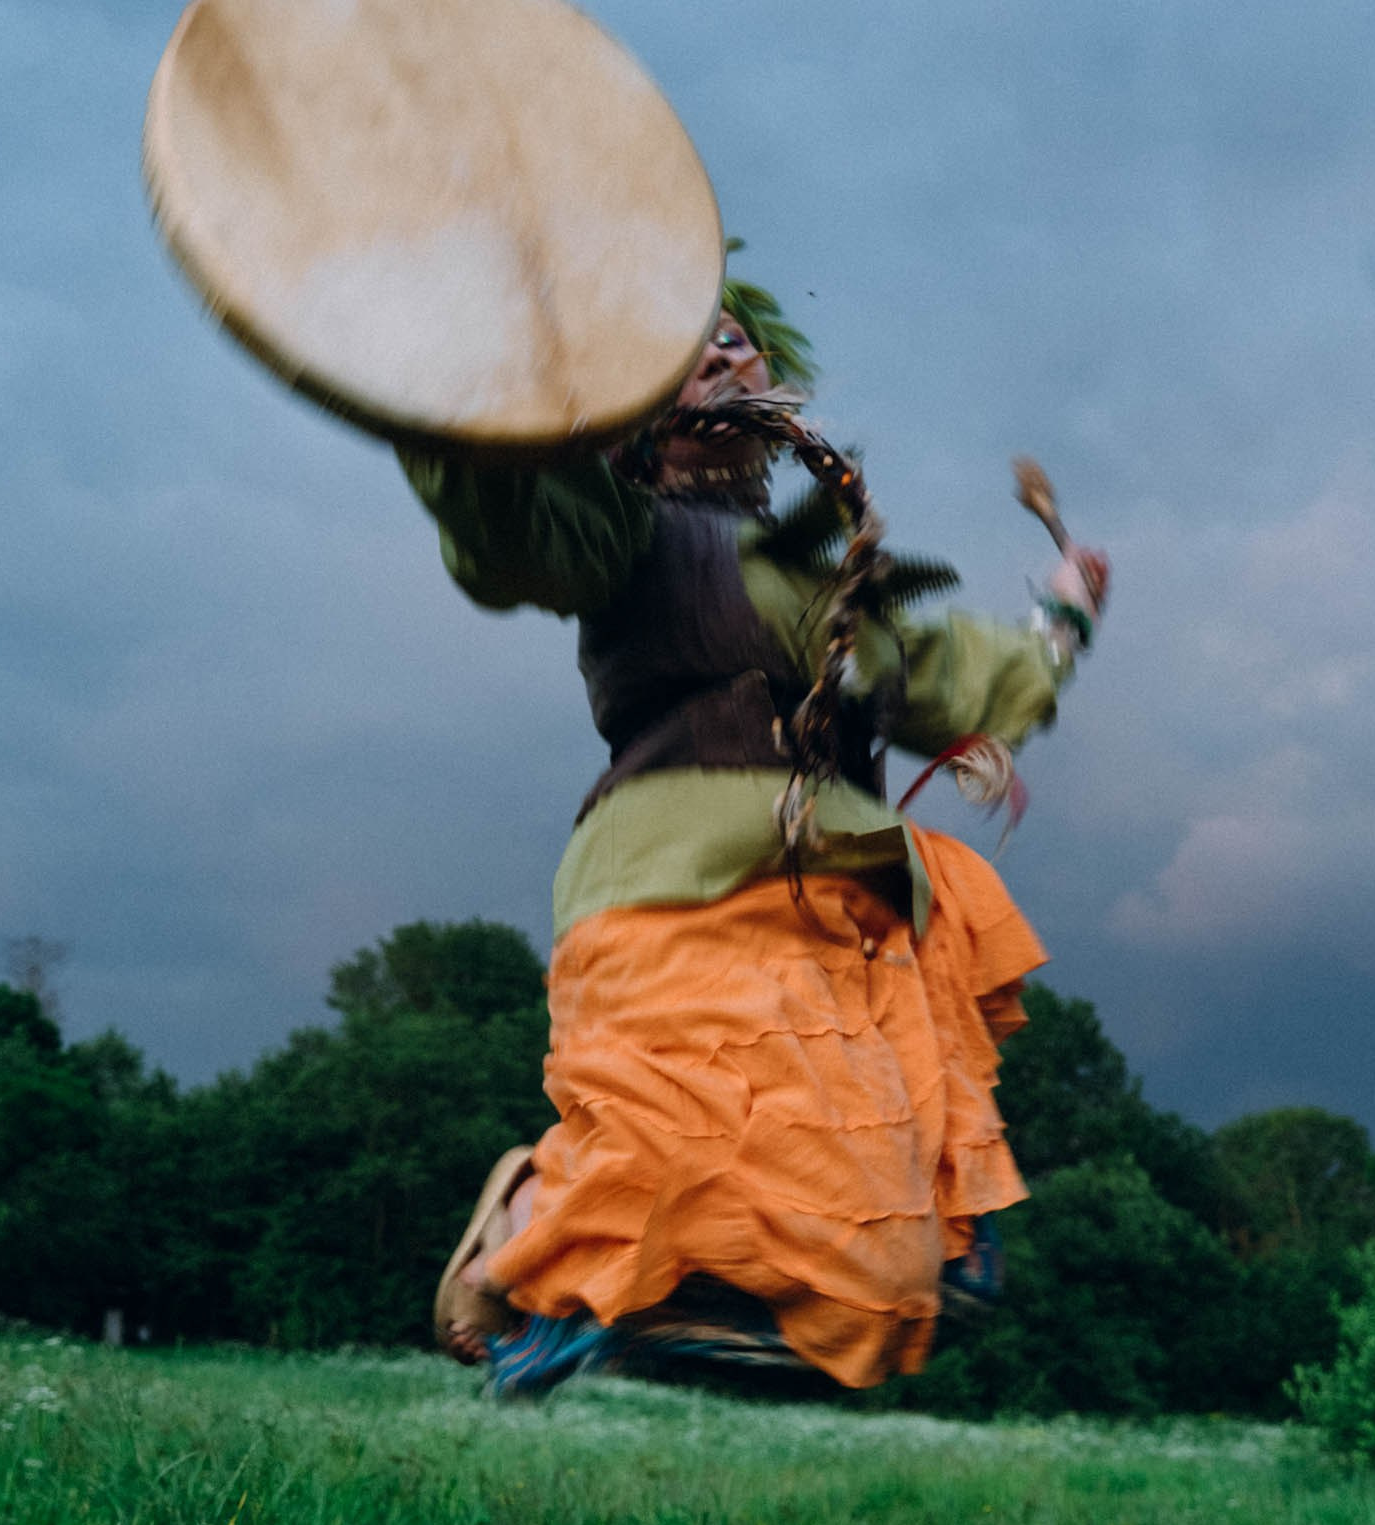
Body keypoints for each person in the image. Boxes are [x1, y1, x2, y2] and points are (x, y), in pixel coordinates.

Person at [406, 268, 1109, 1397]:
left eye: (736, 340)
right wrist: (465, 390)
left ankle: (668, 1280)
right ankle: (535, 1225)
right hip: (680, 892)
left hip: (837, 908)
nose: (725, 358)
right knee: (673, 1142)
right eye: (687, 350)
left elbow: (951, 675)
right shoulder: (625, 530)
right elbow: (512, 525)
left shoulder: (830, 578)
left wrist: (1062, 613)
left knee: (888, 1273)